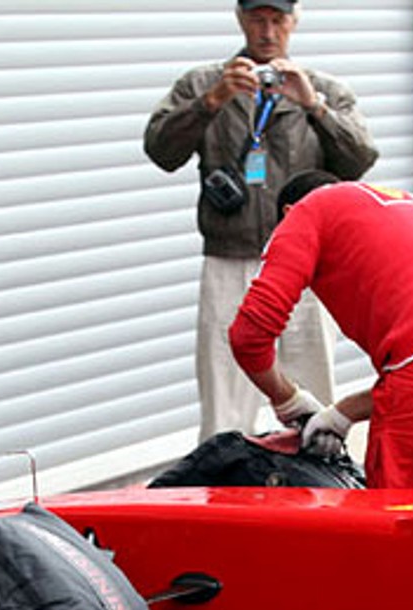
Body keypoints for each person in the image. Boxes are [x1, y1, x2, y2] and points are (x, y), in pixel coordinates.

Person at [145, 0, 376, 439]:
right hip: (230, 259)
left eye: (277, 20)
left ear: (295, 21)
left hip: (310, 270)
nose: (267, 31)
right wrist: (210, 102)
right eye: (257, 19)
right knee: (225, 400)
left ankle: (321, 491)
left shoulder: (322, 88)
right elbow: (160, 150)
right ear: (239, 19)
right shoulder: (204, 83)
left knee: (316, 399)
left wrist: (315, 107)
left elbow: (359, 160)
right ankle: (225, 485)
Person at [230, 174, 413, 491]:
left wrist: (287, 400)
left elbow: (248, 335)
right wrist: (340, 414)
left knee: (401, 525)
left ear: (288, 213)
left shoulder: (308, 211)